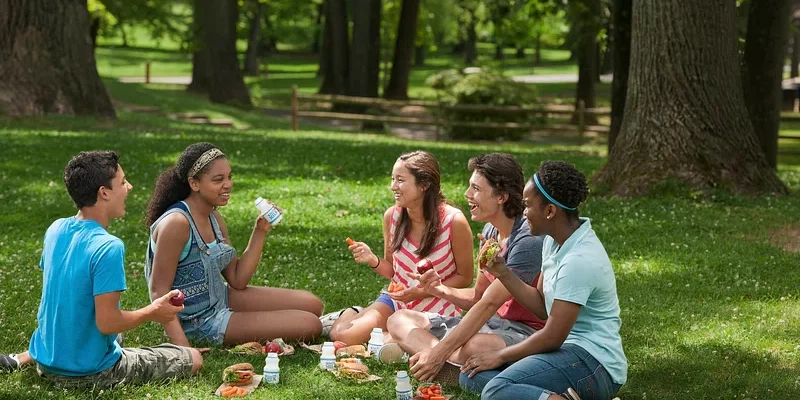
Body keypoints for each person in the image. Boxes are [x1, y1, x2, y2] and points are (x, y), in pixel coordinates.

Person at [28, 151, 203, 388]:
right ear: (104, 193)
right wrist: (152, 312)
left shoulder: (56, 229)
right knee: (193, 359)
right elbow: (108, 323)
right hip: (89, 373)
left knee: (116, 336)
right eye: (122, 182)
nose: (129, 187)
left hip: (46, 362)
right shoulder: (108, 247)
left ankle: (25, 358)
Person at [460, 161, 627, 400]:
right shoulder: (552, 240)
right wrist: (503, 272)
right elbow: (541, 306)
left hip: (594, 365)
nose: (523, 211)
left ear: (549, 211)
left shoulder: (578, 260)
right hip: (563, 352)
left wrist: (501, 355)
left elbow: (552, 336)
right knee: (471, 375)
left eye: (527, 205)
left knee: (496, 390)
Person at [384, 153, 547, 385]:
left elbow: (489, 304)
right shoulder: (490, 232)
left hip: (526, 333)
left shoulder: (527, 240)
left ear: (501, 196)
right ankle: (446, 363)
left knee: (476, 345)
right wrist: (439, 290)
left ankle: (436, 360)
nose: (467, 195)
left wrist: (438, 352)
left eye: (476, 189)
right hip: (494, 325)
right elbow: (477, 297)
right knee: (399, 319)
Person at [144, 143, 323, 347]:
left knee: (313, 304)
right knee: (310, 325)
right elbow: (158, 291)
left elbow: (238, 280)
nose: (228, 184)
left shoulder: (214, 218)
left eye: (229, 177)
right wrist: (184, 349)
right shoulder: (176, 223)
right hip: (198, 322)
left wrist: (260, 231)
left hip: (221, 298)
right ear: (194, 183)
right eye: (218, 179)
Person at [322, 151, 475, 345]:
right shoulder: (392, 217)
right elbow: (393, 271)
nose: (393, 186)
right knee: (342, 334)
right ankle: (356, 313)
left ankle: (389, 336)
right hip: (397, 300)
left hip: (437, 306)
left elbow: (465, 278)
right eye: (393, 179)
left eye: (400, 180)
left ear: (424, 185)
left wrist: (422, 292)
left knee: (398, 342)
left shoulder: (454, 221)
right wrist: (373, 260)